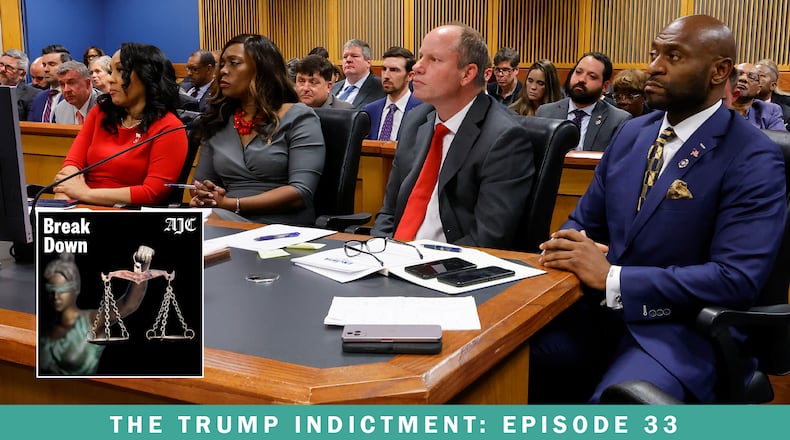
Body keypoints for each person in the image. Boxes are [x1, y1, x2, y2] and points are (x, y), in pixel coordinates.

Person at [531, 14, 786, 403]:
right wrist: (568, 249)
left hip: (680, 333)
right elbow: (583, 224)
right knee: (495, 363)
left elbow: (735, 278)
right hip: (594, 315)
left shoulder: (753, 155)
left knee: (618, 407)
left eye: (674, 56)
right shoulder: (633, 133)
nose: (654, 66)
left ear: (720, 71)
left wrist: (614, 278)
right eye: (654, 54)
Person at [370, 24, 534, 249]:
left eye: (433, 60)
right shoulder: (416, 121)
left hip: (447, 267)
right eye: (420, 57)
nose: (417, 67)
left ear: (467, 74)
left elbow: (487, 238)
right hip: (393, 258)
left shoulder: (504, 138)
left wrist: (419, 265)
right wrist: (379, 250)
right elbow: (389, 212)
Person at [190, 34, 325, 226]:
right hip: (225, 219)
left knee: (198, 225)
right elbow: (200, 184)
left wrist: (231, 204)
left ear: (261, 69)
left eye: (234, 63)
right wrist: (203, 195)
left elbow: (300, 192)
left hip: (282, 224)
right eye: (222, 64)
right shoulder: (217, 121)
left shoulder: (299, 117)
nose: (223, 71)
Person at [52, 43, 188, 206]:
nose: (110, 78)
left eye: (120, 70)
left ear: (147, 76)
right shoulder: (100, 112)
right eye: (110, 71)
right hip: (81, 208)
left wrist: (85, 193)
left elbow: (152, 193)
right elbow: (72, 164)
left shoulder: (169, 128)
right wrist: (65, 193)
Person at [39, 246, 154, 375]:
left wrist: (142, 269)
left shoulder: (91, 321)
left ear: (75, 288)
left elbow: (128, 304)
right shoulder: (43, 327)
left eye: (63, 289)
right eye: (51, 289)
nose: (56, 296)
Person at [536, 52, 631, 151]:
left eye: (592, 76)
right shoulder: (545, 113)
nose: (581, 79)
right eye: (578, 72)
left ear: (605, 86)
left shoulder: (618, 121)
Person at [364, 46, 422, 140]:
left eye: (394, 70)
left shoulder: (422, 111)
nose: (386, 76)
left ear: (410, 76)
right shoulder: (370, 110)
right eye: (384, 69)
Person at [729, 63, 786, 131]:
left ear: (758, 89)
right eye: (738, 74)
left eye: (752, 77)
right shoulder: (715, 104)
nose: (743, 79)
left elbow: (778, 139)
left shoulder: (770, 111)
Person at [330, 39, 385, 108]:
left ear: (368, 62)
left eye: (354, 56)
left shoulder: (381, 88)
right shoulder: (333, 88)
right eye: (345, 57)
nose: (348, 60)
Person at [28, 45, 72, 122]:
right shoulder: (38, 98)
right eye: (44, 65)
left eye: (52, 64)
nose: (46, 69)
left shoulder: (75, 96)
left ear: (67, 66)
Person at [0, 48, 39, 120]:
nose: (2, 69)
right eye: (1, 65)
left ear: (22, 74)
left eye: (9, 67)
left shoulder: (34, 95)